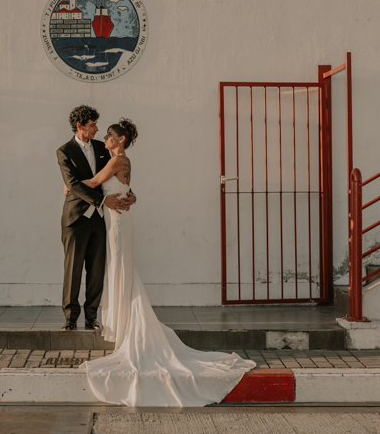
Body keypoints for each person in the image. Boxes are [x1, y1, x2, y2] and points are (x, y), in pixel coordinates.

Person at [76, 117, 256, 407]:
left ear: (121, 140)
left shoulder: (118, 159)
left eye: (110, 135)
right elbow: (118, 190)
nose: (106, 139)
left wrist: (69, 186)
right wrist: (126, 196)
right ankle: (121, 326)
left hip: (118, 223)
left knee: (121, 270)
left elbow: (96, 183)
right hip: (116, 219)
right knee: (120, 271)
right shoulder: (120, 160)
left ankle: (125, 329)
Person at [57, 105, 134, 331]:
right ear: (79, 126)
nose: (97, 130)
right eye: (92, 125)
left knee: (97, 270)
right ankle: (70, 319)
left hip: (100, 220)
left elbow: (117, 176)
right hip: (75, 218)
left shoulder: (103, 148)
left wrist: (131, 195)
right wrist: (100, 200)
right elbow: (72, 184)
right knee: (73, 269)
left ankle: (92, 317)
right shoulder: (64, 151)